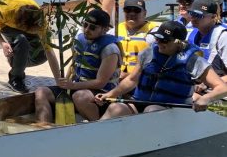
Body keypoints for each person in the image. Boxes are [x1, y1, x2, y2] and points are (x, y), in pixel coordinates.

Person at [97, 21, 227, 118]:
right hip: (140, 103)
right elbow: (132, 80)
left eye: (164, 41)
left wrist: (206, 98)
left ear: (178, 42)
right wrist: (110, 94)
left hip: (173, 109)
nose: (159, 43)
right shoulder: (148, 53)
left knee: (152, 110)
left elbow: (222, 88)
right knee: (116, 107)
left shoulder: (193, 61)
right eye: (158, 39)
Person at [34, 9, 121, 123]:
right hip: (77, 87)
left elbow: (100, 82)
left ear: (105, 29)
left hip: (101, 93)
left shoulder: (110, 49)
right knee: (41, 92)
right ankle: (44, 128)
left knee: (80, 97)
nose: (87, 30)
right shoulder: (79, 40)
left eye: (92, 27)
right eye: (85, 25)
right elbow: (74, 64)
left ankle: (97, 126)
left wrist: (72, 86)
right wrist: (65, 82)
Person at [0, 0, 60, 93]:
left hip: (26, 21)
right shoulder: (5, 11)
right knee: (22, 39)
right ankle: (15, 77)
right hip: (7, 25)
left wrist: (58, 81)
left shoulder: (40, 22)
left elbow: (49, 52)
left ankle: (15, 60)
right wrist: (3, 43)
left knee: (42, 56)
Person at [116, 0, 160, 80]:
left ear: (145, 13)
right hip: (115, 77)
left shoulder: (154, 32)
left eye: (136, 10)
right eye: (128, 10)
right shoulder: (114, 31)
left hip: (140, 79)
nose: (132, 14)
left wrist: (126, 76)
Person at [187, 0, 227, 85]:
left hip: (217, 89)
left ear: (213, 17)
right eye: (192, 14)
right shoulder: (189, 32)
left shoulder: (223, 36)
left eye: (199, 15)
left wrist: (208, 84)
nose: (193, 18)